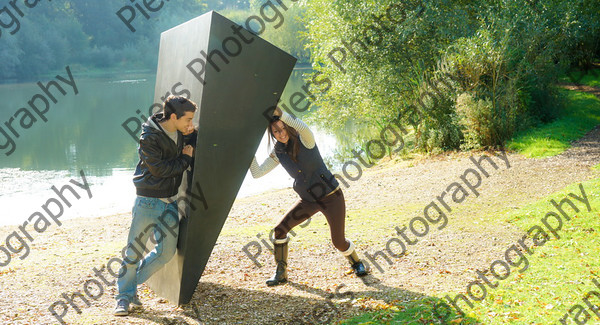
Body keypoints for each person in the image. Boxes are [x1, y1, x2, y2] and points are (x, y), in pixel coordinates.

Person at [249, 107, 368, 286]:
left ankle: (357, 263)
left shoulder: (306, 139)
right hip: (308, 200)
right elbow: (257, 173)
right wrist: (247, 150)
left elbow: (302, 126)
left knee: (338, 241)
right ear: (272, 134)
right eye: (275, 131)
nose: (280, 134)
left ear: (288, 126)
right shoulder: (278, 153)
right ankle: (281, 274)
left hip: (331, 197)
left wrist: (281, 114)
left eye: (283, 128)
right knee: (279, 230)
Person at [114, 96, 197, 316]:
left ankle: (130, 285)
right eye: (188, 119)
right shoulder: (148, 137)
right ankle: (123, 298)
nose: (190, 123)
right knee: (133, 253)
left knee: (166, 253)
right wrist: (185, 160)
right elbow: (159, 170)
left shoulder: (180, 131)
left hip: (170, 202)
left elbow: (190, 143)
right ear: (173, 117)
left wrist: (192, 133)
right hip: (147, 202)